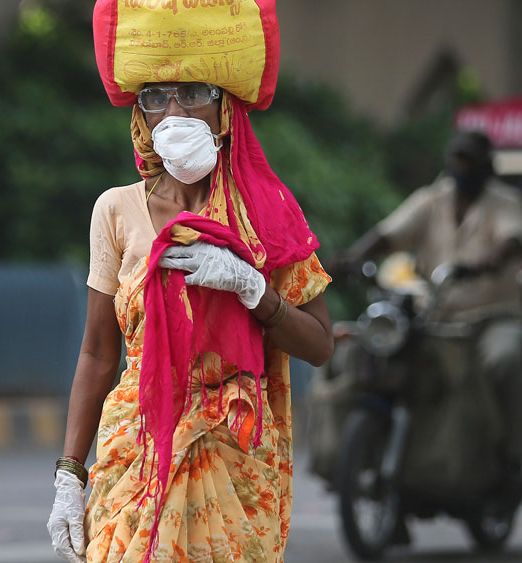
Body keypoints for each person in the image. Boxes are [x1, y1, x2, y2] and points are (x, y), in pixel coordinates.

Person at [47, 4, 333, 561]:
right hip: (134, 451)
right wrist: (69, 477)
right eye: (155, 96)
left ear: (224, 107)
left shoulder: (266, 212)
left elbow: (320, 346)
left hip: (233, 454)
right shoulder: (115, 210)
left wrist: (256, 292)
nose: (173, 112)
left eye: (193, 92)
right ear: (140, 114)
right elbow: (99, 354)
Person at [338, 129, 522, 476]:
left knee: (505, 359)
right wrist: (352, 256)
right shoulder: (431, 199)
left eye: (469, 161)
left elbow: (512, 239)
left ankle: (512, 454)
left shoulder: (505, 203)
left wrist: (490, 261)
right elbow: (388, 233)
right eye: (457, 159)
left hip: (492, 317)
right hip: (437, 315)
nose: (462, 167)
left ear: (486, 165)